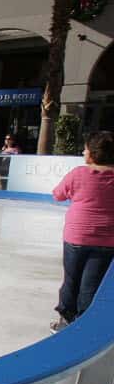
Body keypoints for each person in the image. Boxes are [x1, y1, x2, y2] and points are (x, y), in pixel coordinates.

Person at [50, 131, 114, 332]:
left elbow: (58, 195)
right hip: (107, 241)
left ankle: (66, 319)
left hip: (76, 237)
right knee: (91, 284)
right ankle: (84, 323)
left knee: (71, 279)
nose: (83, 151)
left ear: (92, 154)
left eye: (85, 148)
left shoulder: (78, 174)